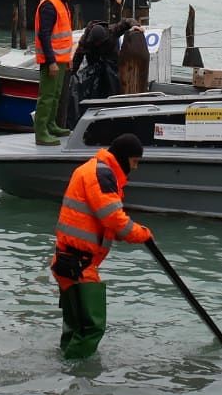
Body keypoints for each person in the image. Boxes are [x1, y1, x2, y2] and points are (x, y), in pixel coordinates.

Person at [50, 133, 153, 360]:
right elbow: (113, 217)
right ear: (125, 158)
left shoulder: (90, 169)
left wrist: (120, 234)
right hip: (79, 265)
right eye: (135, 162)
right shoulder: (102, 174)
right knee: (91, 329)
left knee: (74, 327)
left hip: (66, 260)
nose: (135, 168)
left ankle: (61, 369)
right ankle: (77, 381)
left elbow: (96, 218)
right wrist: (142, 234)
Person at [61, 15, 139, 128]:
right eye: (96, 44)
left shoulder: (113, 31)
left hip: (111, 64)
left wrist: (135, 26)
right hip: (94, 65)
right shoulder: (85, 40)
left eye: (100, 43)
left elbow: (127, 21)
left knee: (112, 86)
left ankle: (112, 112)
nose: (98, 45)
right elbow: (78, 56)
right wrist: (73, 73)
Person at [32, 0, 82, 145]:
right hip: (51, 61)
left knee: (56, 95)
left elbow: (62, 36)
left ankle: (51, 125)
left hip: (61, 60)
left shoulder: (63, 4)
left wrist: (66, 58)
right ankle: (41, 132)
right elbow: (44, 35)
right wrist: (51, 61)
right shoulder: (50, 5)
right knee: (46, 96)